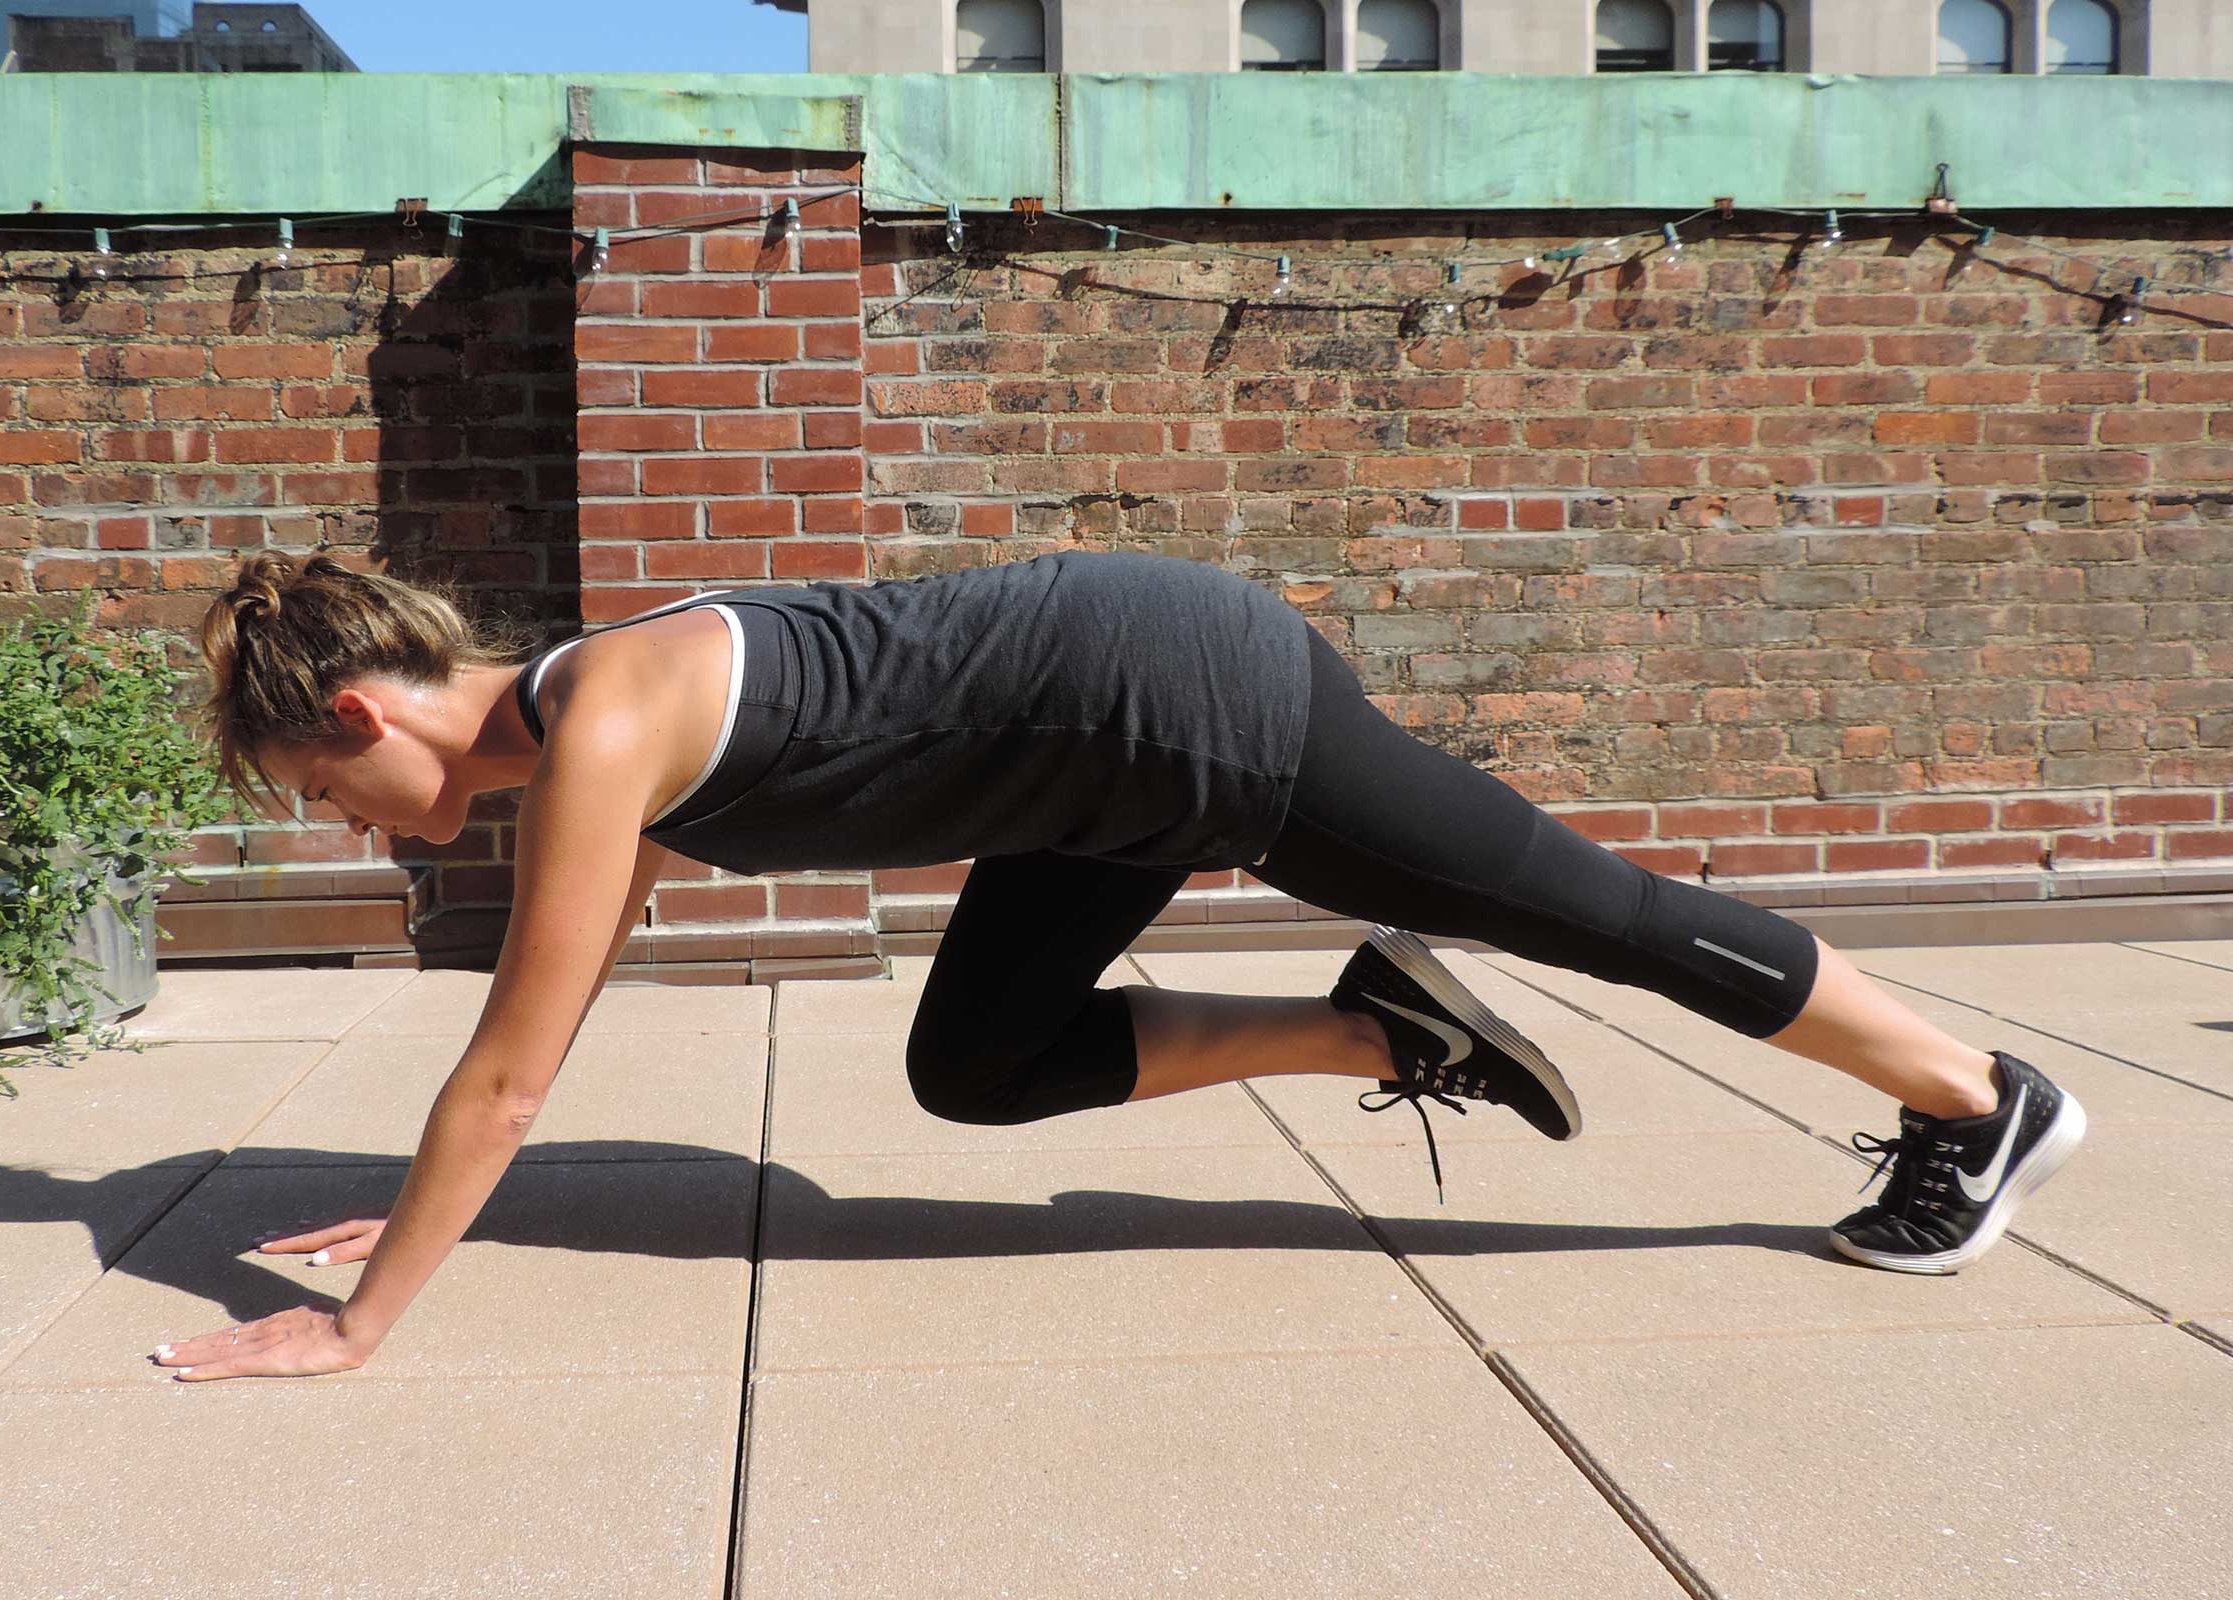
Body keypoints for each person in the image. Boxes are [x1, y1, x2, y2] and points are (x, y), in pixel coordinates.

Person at [152, 548, 2084, 1382]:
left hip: (1182, 703)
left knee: (1595, 913)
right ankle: (1368, 1024)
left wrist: (360, 1319)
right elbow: (572, 997)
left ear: (359, 708)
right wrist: (423, 1211)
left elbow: (515, 1064)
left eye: (319, 786)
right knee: (979, 1061)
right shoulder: (605, 715)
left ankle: (1983, 1102)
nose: (340, 825)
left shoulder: (600, 727)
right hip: (1092, 771)